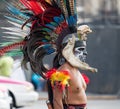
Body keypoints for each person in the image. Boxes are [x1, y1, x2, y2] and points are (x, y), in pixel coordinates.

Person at [0, 0, 97, 109]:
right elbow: (57, 100)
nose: (85, 53)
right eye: (80, 49)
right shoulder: (62, 73)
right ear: (68, 51)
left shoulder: (77, 71)